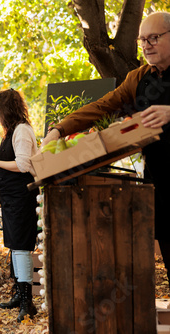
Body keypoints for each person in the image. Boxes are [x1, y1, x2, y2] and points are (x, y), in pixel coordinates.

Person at [42, 11, 170, 283]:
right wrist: (59, 129)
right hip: (160, 182)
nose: (146, 45)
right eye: (142, 39)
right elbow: (103, 106)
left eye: (154, 38)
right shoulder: (137, 79)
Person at [0, 89, 40, 322]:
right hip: (13, 199)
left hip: (22, 198)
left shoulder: (22, 131)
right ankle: (18, 294)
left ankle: (27, 302)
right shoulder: (12, 132)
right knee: (14, 246)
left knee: (21, 247)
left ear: (5, 110)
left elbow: (23, 165)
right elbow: (9, 162)